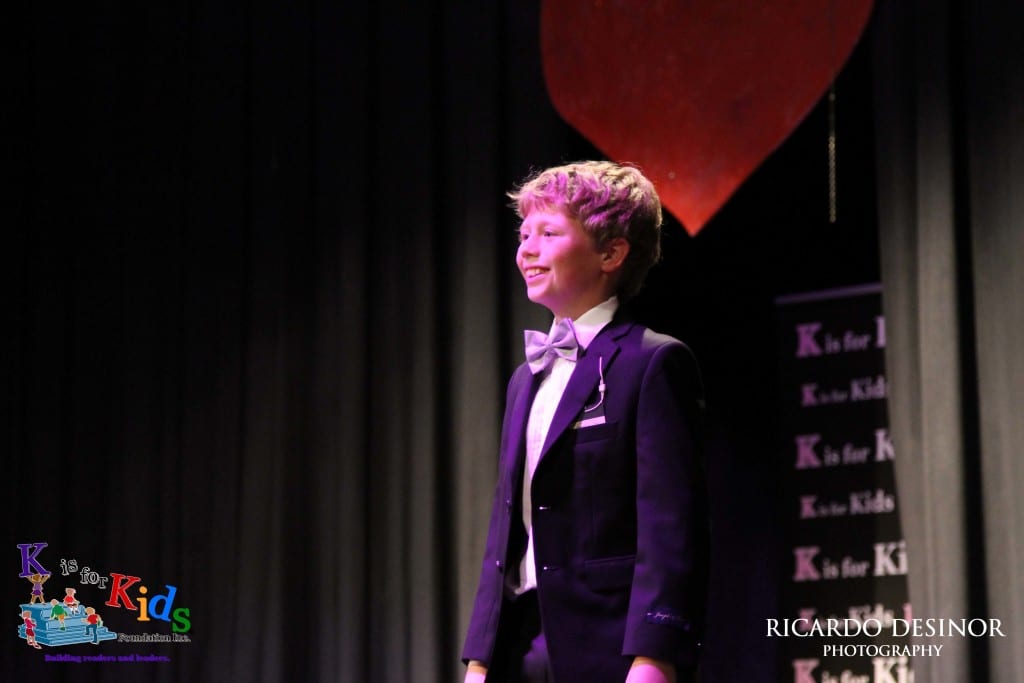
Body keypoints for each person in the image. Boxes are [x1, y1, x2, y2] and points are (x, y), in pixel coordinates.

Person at [462, 161, 709, 683]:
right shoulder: (524, 378)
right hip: (521, 642)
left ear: (611, 253)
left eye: (548, 234)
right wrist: (480, 658)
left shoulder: (652, 362)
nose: (526, 249)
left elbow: (671, 525)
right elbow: (506, 527)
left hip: (607, 644)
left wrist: (654, 655)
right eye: (524, 234)